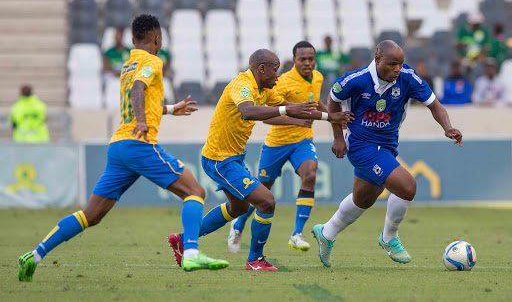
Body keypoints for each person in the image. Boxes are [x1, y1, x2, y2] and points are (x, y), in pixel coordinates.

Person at [17, 14, 229, 282]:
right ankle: (191, 253)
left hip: (118, 146)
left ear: (132, 40)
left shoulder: (128, 64)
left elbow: (138, 96)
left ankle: (34, 255)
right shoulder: (153, 61)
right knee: (195, 191)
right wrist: (142, 121)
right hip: (138, 143)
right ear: (157, 38)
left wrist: (170, 109)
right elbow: (138, 91)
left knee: (91, 215)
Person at [168, 49, 354, 271]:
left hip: (232, 158)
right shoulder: (243, 84)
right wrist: (287, 108)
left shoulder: (264, 89)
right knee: (266, 202)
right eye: (275, 70)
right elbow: (248, 111)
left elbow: (294, 110)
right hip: (220, 159)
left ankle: (182, 239)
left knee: (238, 208)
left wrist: (330, 117)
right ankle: (255, 259)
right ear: (262, 69)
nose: (278, 75)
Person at [312, 40, 463, 268]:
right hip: (361, 146)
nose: (397, 69)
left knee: (363, 199)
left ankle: (327, 232)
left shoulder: (408, 78)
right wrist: (337, 137)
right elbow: (332, 100)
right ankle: (389, 237)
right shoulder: (356, 79)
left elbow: (435, 105)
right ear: (377, 60)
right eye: (392, 64)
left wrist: (447, 127)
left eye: (401, 64)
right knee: (407, 186)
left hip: (388, 146)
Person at [227, 41, 328, 254]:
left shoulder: (318, 78)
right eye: (303, 59)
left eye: (311, 59)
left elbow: (315, 103)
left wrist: (331, 117)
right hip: (277, 144)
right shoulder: (281, 82)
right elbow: (267, 118)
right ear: (294, 60)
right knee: (261, 192)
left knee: (310, 175)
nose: (308, 63)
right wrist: (295, 121)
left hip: (302, 140)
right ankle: (238, 224)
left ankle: (297, 234)